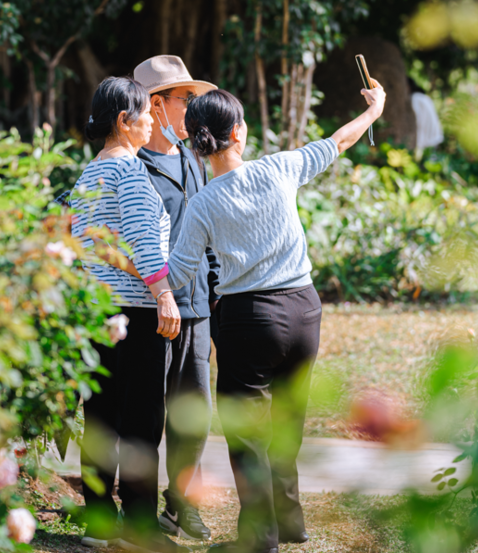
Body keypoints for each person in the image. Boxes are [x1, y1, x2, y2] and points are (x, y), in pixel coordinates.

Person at [165, 82, 386, 553]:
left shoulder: (202, 203)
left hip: (250, 319)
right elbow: (340, 140)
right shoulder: (281, 167)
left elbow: (181, 273)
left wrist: (134, 264)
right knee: (287, 424)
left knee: (248, 434)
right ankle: (290, 525)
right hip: (305, 311)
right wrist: (375, 110)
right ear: (239, 134)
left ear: (197, 141)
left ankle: (259, 539)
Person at [69, 76, 189, 553]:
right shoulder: (130, 173)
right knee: (141, 420)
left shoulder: (88, 174)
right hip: (137, 312)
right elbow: (142, 239)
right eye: (146, 114)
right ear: (125, 120)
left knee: (101, 417)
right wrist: (164, 294)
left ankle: (99, 522)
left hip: (96, 311)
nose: (151, 122)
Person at [132, 55, 220, 542]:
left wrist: (214, 295)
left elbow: (203, 233)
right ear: (156, 105)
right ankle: (140, 515)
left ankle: (182, 503)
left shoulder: (190, 156)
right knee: (147, 415)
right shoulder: (132, 164)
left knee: (195, 414)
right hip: (153, 307)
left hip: (198, 306)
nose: (193, 106)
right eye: (185, 99)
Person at [407, 77, 443, 155]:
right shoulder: (423, 97)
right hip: (434, 137)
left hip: (426, 140)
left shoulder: (415, 98)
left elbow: (418, 120)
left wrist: (418, 143)